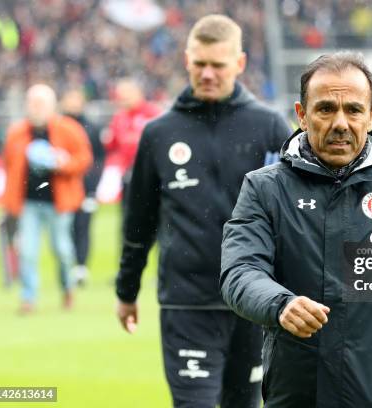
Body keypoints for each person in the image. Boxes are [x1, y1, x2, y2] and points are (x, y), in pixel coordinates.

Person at [221, 52, 372, 407]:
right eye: (325, 109)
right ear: (302, 115)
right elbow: (240, 271)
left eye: (353, 110)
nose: (340, 123)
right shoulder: (265, 189)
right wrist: (281, 304)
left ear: (371, 116)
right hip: (294, 398)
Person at [114, 14, 291, 408]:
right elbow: (138, 222)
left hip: (254, 302)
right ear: (186, 59)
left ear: (240, 64)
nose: (208, 73)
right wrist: (127, 290)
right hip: (186, 303)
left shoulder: (270, 127)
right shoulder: (160, 133)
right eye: (200, 63)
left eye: (218, 65)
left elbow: (296, 214)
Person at [2, 84, 92, 313]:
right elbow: (9, 166)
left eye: (41, 103)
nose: (36, 108)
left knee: (62, 249)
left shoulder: (68, 129)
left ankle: (67, 288)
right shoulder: (17, 132)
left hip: (59, 202)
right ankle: (28, 297)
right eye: (32, 103)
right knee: (29, 251)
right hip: (29, 202)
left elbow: (84, 159)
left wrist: (63, 164)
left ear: (52, 106)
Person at [61, 88, 106, 286]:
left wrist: (92, 188)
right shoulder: (58, 127)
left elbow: (98, 159)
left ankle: (80, 267)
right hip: (64, 188)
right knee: (65, 229)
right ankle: (67, 266)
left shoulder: (92, 128)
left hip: (85, 188)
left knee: (83, 226)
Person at [103, 77, 160, 218]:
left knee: (154, 217)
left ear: (138, 92)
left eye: (126, 93)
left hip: (151, 174)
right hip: (128, 174)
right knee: (128, 217)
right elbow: (112, 146)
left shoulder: (152, 114)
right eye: (120, 95)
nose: (123, 98)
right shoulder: (119, 117)